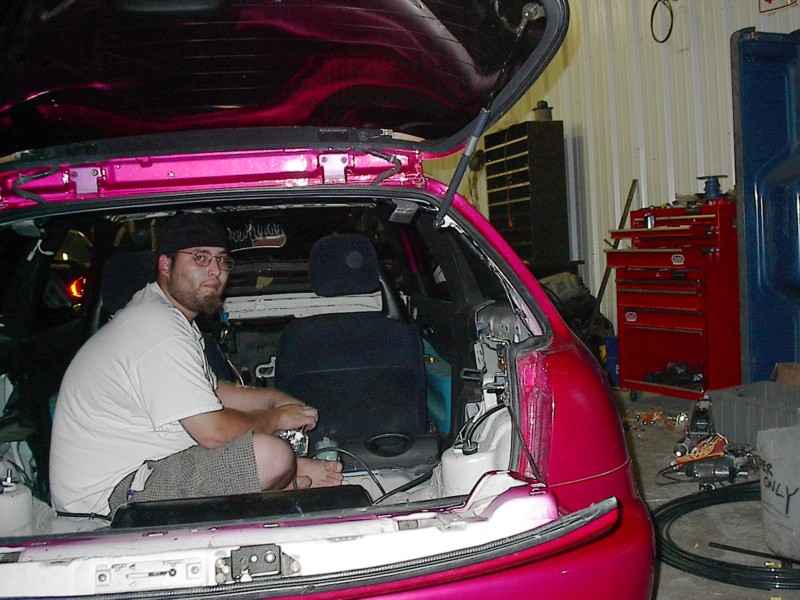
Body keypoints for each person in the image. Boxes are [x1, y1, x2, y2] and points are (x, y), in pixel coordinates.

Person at [50, 213, 342, 517]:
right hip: (107, 499)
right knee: (271, 456)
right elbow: (213, 432)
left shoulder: (164, 316)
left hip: (142, 470)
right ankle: (286, 478)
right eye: (200, 258)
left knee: (267, 454)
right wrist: (276, 418)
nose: (215, 271)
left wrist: (274, 400)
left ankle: (286, 480)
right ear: (166, 265)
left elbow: (214, 392)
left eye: (222, 260)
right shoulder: (156, 327)